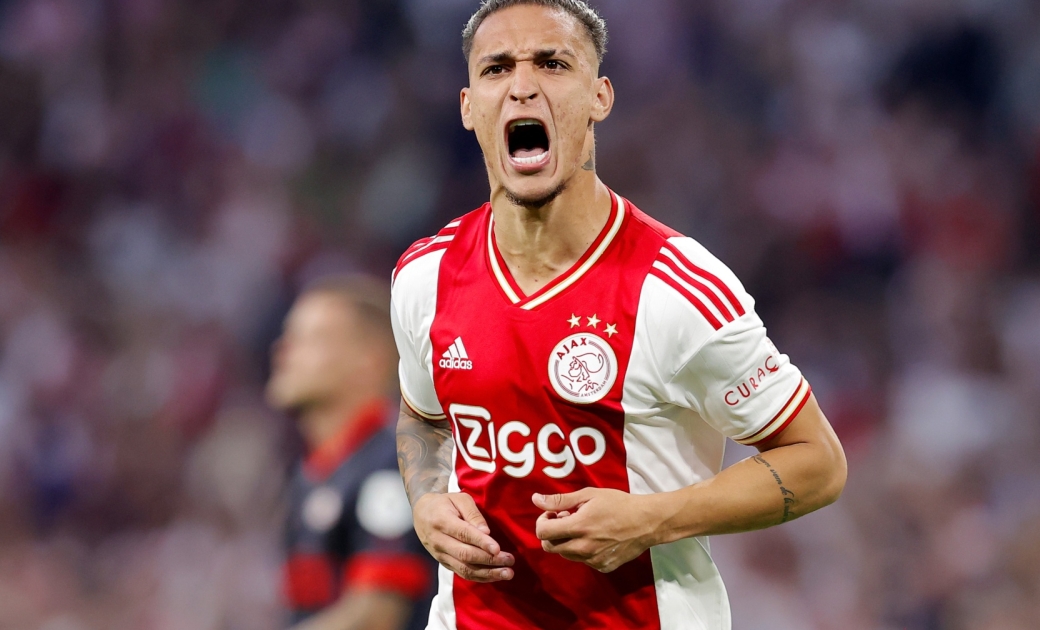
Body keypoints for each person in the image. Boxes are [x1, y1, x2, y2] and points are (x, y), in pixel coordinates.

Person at [390, 1, 848, 628]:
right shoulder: (426, 275)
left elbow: (818, 462)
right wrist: (424, 504)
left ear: (599, 97)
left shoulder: (674, 288)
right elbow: (423, 417)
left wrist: (650, 519)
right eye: (497, 69)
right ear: (469, 107)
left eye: (552, 64)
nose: (522, 86)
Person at [268, 275, 436, 630]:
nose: (283, 350)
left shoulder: (394, 462)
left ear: (369, 362)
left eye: (311, 339)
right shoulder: (314, 473)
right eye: (288, 335)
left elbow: (378, 615)